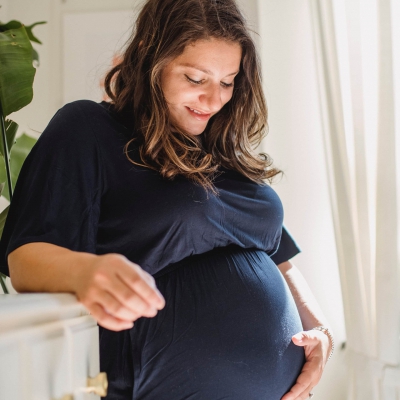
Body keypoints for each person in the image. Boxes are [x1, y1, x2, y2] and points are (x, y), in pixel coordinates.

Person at [0, 0, 334, 399]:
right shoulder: (91, 130)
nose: (214, 100)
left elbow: (280, 255)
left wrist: (321, 332)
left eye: (228, 82)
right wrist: (85, 271)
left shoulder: (223, 150)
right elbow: (24, 258)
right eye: (196, 78)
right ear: (150, 63)